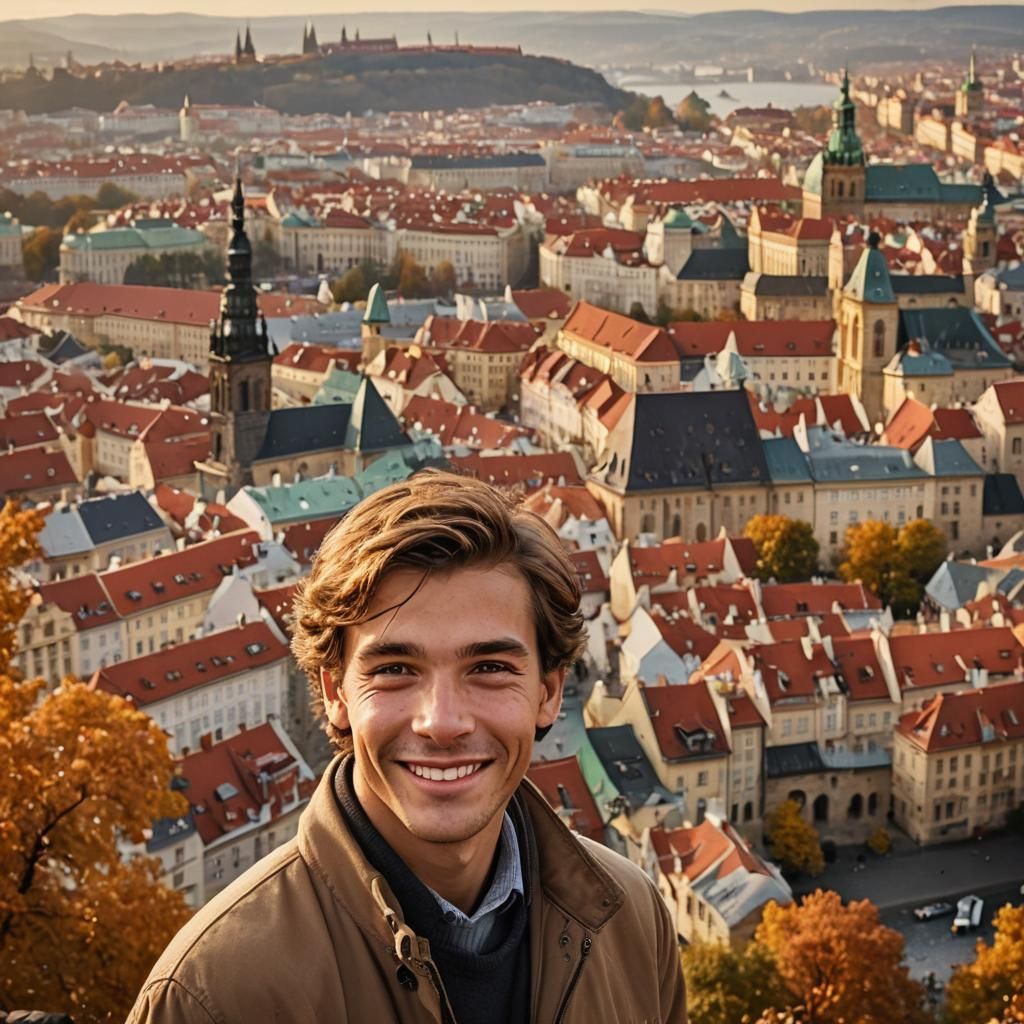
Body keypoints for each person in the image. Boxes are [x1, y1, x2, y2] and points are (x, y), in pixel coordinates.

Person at [128, 470, 687, 1023]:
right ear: (335, 691)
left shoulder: (634, 923)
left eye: (489, 668)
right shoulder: (214, 995)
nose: (441, 722)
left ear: (548, 691)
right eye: (395, 669)